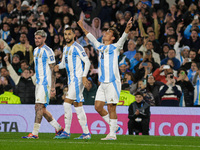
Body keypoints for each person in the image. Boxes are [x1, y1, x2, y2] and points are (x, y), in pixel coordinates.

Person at [78, 17, 133, 140]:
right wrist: (82, 26)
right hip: (102, 83)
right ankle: (115, 126)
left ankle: (112, 134)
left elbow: (123, 37)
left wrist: (127, 28)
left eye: (108, 32)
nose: (105, 33)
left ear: (113, 38)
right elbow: (91, 37)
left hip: (112, 82)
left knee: (111, 107)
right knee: (97, 106)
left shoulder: (116, 47)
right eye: (106, 31)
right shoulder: (100, 47)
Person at [22, 30, 63, 139]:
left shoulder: (48, 51)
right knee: (40, 108)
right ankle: (59, 128)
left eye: (39, 38)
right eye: (35, 38)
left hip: (46, 83)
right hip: (39, 83)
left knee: (39, 107)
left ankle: (35, 133)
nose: (37, 40)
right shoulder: (35, 50)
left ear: (44, 39)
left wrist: (53, 87)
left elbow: (53, 70)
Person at [54, 27, 91, 139]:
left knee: (66, 103)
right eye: (65, 34)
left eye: (69, 34)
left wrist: (84, 76)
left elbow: (87, 62)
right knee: (78, 106)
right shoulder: (65, 48)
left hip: (78, 79)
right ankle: (86, 133)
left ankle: (67, 131)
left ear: (74, 35)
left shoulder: (78, 47)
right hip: (71, 81)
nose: (67, 36)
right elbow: (64, 64)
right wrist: (57, 66)